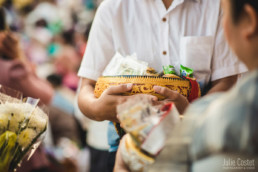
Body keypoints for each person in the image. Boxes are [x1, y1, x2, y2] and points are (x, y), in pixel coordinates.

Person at [78, 0, 248, 171]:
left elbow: (226, 81)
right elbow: (87, 87)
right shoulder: (112, 9)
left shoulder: (216, 6)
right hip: (126, 151)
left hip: (196, 146)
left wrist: (191, 113)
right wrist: (97, 108)